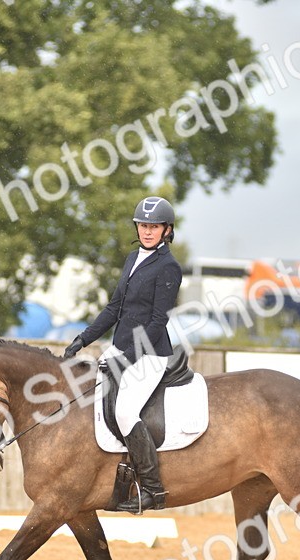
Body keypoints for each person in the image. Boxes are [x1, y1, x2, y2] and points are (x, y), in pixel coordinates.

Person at [63, 196, 183, 513]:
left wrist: (127, 357)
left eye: (154, 226)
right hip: (121, 348)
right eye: (143, 225)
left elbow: (159, 322)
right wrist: (83, 338)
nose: (147, 231)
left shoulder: (169, 267)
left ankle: (153, 490)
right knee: (91, 408)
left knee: (126, 412)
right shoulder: (132, 258)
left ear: (167, 230)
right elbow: (115, 308)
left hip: (150, 355)